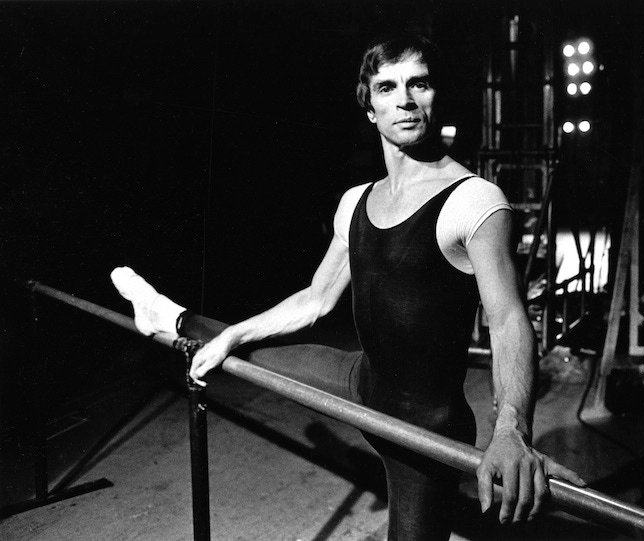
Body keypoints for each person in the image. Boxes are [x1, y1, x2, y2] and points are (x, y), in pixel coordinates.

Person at [112, 33, 584, 541]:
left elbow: (511, 319)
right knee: (241, 348)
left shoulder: (474, 201)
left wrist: (512, 428)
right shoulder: (355, 201)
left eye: (418, 84)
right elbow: (315, 300)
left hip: (421, 429)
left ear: (434, 95)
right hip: (360, 380)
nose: (404, 99)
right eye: (387, 87)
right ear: (370, 108)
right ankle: (170, 317)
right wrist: (228, 336)